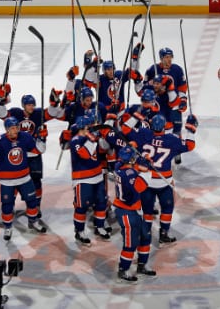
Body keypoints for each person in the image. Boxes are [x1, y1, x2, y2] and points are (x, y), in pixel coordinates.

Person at [133, 113, 197, 246]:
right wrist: (191, 129)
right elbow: (190, 145)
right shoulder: (171, 139)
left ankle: (145, 235)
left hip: (146, 180)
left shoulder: (143, 134)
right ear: (164, 126)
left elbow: (127, 132)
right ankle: (163, 234)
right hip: (164, 181)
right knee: (167, 208)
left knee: (147, 211)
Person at [0, 117, 48, 241]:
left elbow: (39, 150)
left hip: (24, 178)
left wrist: (42, 139)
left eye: (17, 127)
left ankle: (33, 221)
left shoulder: (25, 137)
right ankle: (8, 227)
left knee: (32, 201)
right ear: (7, 130)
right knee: (7, 205)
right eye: (12, 128)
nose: (15, 130)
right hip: (6, 181)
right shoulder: (0, 140)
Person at [113, 146, 155, 283]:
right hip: (126, 211)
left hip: (134, 209)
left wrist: (143, 165)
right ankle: (123, 270)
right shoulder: (129, 174)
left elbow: (133, 168)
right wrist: (148, 170)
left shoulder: (119, 166)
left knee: (145, 237)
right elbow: (140, 186)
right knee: (131, 243)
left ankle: (142, 265)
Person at [6, 94, 52, 217]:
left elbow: (52, 113)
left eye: (33, 105)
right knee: (16, 181)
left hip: (35, 153)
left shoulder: (38, 114)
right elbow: (2, 114)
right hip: (20, 154)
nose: (31, 107)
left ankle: (37, 206)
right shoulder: (16, 114)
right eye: (29, 105)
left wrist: (54, 103)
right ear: (23, 105)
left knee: (36, 181)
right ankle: (10, 206)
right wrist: (1, 101)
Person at [69, 115, 112, 246]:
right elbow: (85, 154)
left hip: (97, 176)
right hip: (82, 179)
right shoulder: (75, 140)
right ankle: (79, 231)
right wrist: (92, 139)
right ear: (84, 127)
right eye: (90, 126)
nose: (93, 128)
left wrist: (104, 136)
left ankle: (100, 226)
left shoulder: (93, 138)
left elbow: (105, 149)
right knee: (81, 207)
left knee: (101, 203)